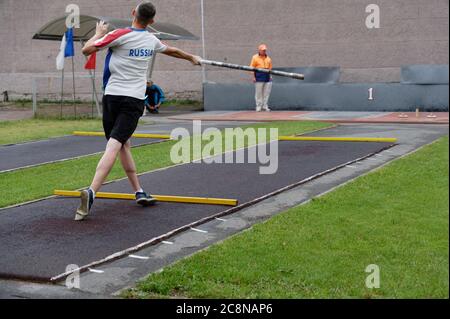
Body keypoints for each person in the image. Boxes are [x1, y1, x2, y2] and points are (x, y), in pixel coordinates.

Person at [77, 1, 201, 221]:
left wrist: (97, 34)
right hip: (132, 101)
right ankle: (92, 191)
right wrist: (192, 57)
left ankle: (138, 191)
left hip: (111, 98)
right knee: (115, 145)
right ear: (152, 21)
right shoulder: (151, 40)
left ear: (133, 13)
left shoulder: (119, 34)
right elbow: (172, 50)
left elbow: (87, 49)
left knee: (123, 144)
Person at [250, 44, 273, 112]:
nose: (264, 51)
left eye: (265, 50)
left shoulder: (268, 58)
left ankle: (265, 106)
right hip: (259, 75)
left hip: (267, 76)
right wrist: (253, 77)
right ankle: (258, 106)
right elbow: (252, 68)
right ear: (259, 50)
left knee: (266, 93)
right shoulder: (255, 57)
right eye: (263, 50)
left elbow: (270, 69)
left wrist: (271, 76)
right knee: (258, 93)